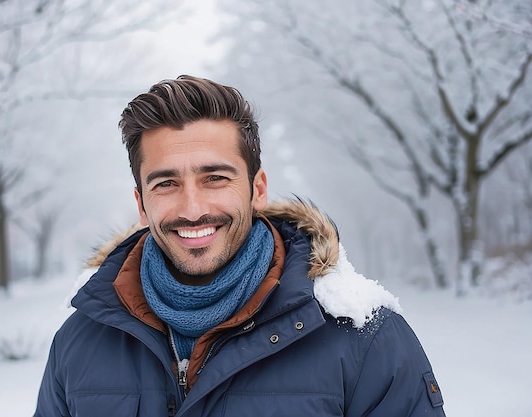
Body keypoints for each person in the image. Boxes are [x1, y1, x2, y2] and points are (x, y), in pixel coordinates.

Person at [33, 75, 446, 417]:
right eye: (166, 183)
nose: (193, 209)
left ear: (257, 188)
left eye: (215, 178)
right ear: (141, 203)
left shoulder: (363, 338)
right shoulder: (79, 342)